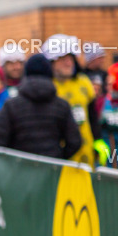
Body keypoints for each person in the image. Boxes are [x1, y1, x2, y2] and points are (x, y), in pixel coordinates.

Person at [0, 54, 83, 159]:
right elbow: (75, 141)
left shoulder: (11, 105)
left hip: (19, 168)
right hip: (50, 169)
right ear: (50, 73)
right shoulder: (62, 105)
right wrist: (58, 157)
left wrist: (12, 160)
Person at [43, 34, 105, 166]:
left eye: (71, 57)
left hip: (86, 154)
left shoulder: (83, 82)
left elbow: (92, 115)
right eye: (62, 58)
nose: (68, 62)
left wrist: (98, 140)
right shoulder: (47, 86)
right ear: (51, 62)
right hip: (59, 157)